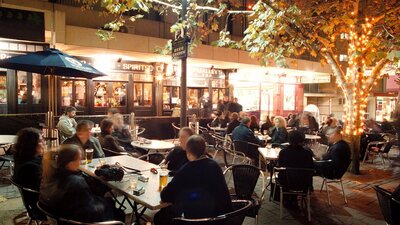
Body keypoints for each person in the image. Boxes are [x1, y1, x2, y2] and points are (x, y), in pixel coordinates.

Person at [154, 135, 232, 225]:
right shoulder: (215, 165)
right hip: (223, 219)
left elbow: (165, 195)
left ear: (188, 153)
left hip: (199, 222)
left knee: (160, 217)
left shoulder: (187, 169)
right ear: (204, 150)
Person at [40, 144, 124, 223]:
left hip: (62, 217)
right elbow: (91, 212)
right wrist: (107, 200)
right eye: (79, 159)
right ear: (70, 163)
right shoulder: (76, 182)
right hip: (81, 220)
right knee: (119, 213)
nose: (81, 162)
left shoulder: (51, 174)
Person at [12, 128, 46, 220]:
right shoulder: (30, 167)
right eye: (40, 141)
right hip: (43, 209)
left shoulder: (22, 157)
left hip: (35, 203)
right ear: (31, 145)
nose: (44, 143)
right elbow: (45, 191)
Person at [277, 130, 314, 208]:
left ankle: (288, 198)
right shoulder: (307, 153)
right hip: (303, 183)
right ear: (302, 140)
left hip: (286, 183)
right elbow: (311, 168)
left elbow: (280, 167)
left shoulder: (283, 152)